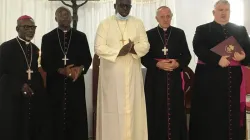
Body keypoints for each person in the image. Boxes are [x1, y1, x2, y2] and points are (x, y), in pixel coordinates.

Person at [189, 0, 250, 140]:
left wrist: (244, 56)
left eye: (226, 10)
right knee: (211, 115)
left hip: (233, 81)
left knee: (231, 115)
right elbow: (198, 48)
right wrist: (217, 59)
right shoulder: (203, 29)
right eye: (220, 9)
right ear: (213, 12)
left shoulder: (240, 29)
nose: (223, 12)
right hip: (209, 80)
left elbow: (247, 51)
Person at [94, 0, 150, 139]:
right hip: (112, 75)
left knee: (133, 109)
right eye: (122, 5)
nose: (125, 9)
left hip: (132, 74)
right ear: (115, 6)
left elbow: (145, 45)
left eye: (128, 6)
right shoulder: (105, 24)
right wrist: (119, 52)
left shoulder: (138, 23)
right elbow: (98, 47)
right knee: (112, 109)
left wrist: (132, 49)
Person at [40, 6, 92, 140]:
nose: (65, 17)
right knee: (55, 117)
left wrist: (80, 69)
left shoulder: (81, 36)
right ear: (55, 18)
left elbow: (87, 59)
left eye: (67, 15)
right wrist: (61, 70)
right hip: (55, 86)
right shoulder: (48, 38)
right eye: (61, 15)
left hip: (75, 84)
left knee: (76, 118)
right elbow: (45, 62)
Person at [141, 6, 191, 140]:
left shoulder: (179, 33)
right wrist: (157, 64)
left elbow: (187, 56)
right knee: (156, 111)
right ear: (156, 18)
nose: (165, 19)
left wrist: (178, 63)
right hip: (155, 80)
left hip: (174, 79)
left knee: (175, 111)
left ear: (171, 17)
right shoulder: (149, 34)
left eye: (168, 16)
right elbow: (144, 57)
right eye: (162, 16)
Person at [0, 15, 51, 140]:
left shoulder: (36, 49)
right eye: (26, 27)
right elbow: (2, 73)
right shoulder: (6, 47)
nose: (30, 30)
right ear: (18, 28)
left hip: (32, 97)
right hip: (13, 98)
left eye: (33, 27)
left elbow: (39, 72)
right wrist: (19, 86)